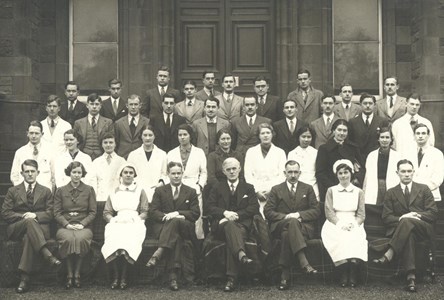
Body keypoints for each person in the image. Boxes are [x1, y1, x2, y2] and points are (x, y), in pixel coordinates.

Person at [373, 159, 438, 293]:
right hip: (403, 230)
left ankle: (389, 253)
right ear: (397, 173)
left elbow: (432, 213)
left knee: (408, 221)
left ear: (414, 172)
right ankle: (411, 278)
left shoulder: (424, 189)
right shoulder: (391, 192)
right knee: (408, 231)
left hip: (423, 228)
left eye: (409, 171)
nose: (407, 174)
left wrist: (416, 215)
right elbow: (386, 217)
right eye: (403, 171)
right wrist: (403, 218)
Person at [1, 160, 61, 294]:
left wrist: (35, 215)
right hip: (17, 227)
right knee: (28, 222)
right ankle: (47, 254)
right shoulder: (12, 191)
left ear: (38, 173)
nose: (29, 174)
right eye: (26, 171)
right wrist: (24, 217)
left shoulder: (45, 191)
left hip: (39, 229)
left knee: (29, 236)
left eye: (32, 171)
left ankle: (24, 278)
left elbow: (51, 213)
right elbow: (5, 213)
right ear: (22, 173)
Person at [264, 160, 320, 290]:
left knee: (286, 234)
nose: (293, 175)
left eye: (296, 172)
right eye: (290, 172)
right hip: (280, 225)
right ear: (285, 173)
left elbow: (316, 210)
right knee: (290, 224)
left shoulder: (308, 188)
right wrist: (285, 217)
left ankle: (285, 276)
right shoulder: (276, 189)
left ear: (300, 173)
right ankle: (304, 262)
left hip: (303, 227)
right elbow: (268, 211)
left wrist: (299, 215)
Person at [205, 157, 259, 292]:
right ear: (223, 171)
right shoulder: (217, 187)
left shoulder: (248, 188)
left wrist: (236, 216)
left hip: (242, 225)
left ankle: (231, 278)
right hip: (222, 225)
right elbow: (209, 207)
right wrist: (225, 213)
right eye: (228, 169)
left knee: (231, 236)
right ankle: (241, 255)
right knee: (229, 226)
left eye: (234, 168)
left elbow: (253, 208)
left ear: (240, 169)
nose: (232, 172)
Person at [146, 161, 200, 291]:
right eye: (173, 173)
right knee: (176, 238)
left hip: (185, 227)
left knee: (175, 221)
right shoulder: (160, 191)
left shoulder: (191, 191)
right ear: (168, 175)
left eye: (179, 173)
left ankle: (159, 252)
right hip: (164, 226)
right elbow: (153, 211)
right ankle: (173, 278)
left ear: (182, 174)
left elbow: (195, 213)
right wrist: (165, 217)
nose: (176, 176)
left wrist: (177, 213)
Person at [102, 164, 149, 290]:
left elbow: (145, 211)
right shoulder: (113, 192)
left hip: (135, 221)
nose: (128, 175)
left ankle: (124, 277)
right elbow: (107, 212)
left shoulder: (140, 191)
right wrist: (113, 220)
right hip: (118, 221)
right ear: (121, 175)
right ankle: (116, 277)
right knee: (114, 239)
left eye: (131, 173)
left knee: (128, 241)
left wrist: (136, 219)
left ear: (134, 176)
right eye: (125, 172)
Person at [321, 159, 367, 288]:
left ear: (351, 173)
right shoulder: (331, 190)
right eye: (340, 173)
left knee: (355, 236)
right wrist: (340, 224)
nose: (343, 176)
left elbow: (361, 214)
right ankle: (343, 271)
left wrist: (354, 224)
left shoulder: (359, 191)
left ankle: (352, 272)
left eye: (346, 172)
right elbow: (329, 212)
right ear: (337, 175)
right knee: (338, 236)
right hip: (334, 221)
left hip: (354, 221)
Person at [54, 161, 97, 289]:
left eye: (79, 172)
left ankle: (77, 274)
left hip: (83, 227)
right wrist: (66, 224)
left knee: (80, 239)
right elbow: (56, 212)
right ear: (69, 173)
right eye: (74, 172)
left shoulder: (89, 190)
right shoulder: (61, 190)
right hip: (65, 226)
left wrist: (83, 224)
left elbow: (93, 212)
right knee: (68, 239)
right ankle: (69, 274)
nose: (77, 175)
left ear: (82, 174)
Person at [167, 124, 207, 239]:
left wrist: (199, 186)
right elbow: (166, 172)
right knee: (178, 217)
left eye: (185, 134)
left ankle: (196, 243)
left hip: (194, 188)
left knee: (196, 218)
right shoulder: (171, 153)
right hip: (176, 188)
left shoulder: (199, 152)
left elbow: (204, 172)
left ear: (190, 136)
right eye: (180, 135)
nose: (182, 137)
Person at [315, 119, 365, 202]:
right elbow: (320, 173)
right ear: (334, 131)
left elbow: (362, 168)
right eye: (339, 130)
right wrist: (335, 187)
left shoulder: (353, 148)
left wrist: (355, 181)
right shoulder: (324, 149)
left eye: (345, 131)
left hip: (351, 188)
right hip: (332, 188)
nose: (342, 133)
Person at [244, 123, 286, 216]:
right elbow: (248, 174)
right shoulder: (251, 152)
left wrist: (271, 190)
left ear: (272, 134)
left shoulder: (280, 152)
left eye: (268, 132)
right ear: (259, 136)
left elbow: (282, 175)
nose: (265, 135)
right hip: (256, 191)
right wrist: (256, 191)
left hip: (275, 191)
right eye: (262, 133)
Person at [127, 124, 168, 202]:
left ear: (154, 136)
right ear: (141, 136)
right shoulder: (133, 155)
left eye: (150, 135)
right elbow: (129, 174)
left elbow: (165, 173)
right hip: (137, 191)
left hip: (157, 191)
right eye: (145, 135)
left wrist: (160, 183)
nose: (147, 138)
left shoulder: (162, 154)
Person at [363, 127, 401, 205]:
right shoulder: (372, 155)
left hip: (391, 185)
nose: (384, 140)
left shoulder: (397, 156)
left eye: (387, 137)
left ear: (391, 139)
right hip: (375, 185)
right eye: (382, 137)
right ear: (378, 139)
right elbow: (367, 177)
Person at [10, 121, 53, 190]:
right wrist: (20, 192)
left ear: (42, 134)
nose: (33, 136)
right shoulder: (20, 152)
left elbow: (54, 175)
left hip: (44, 193)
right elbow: (14, 175)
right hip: (24, 193)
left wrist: (49, 192)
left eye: (36, 133)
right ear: (27, 134)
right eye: (31, 133)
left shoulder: (50, 151)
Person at [392, 94, 435, 159]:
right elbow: (393, 145)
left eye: (417, 105)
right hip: (403, 160)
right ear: (406, 104)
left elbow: (431, 143)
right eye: (412, 104)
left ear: (420, 106)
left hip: (421, 159)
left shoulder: (426, 123)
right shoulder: (397, 124)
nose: (414, 107)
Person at [348, 93, 389, 161]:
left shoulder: (382, 121)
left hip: (377, 159)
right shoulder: (353, 122)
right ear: (360, 104)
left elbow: (385, 142)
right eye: (365, 103)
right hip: (359, 160)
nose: (367, 106)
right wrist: (353, 160)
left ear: (375, 105)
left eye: (370, 103)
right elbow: (350, 143)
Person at [73, 93, 113, 160]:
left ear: (100, 106)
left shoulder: (108, 122)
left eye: (97, 104)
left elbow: (112, 141)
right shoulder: (78, 123)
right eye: (91, 104)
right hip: (83, 156)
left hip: (102, 156)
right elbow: (75, 142)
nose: (94, 106)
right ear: (87, 105)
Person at [412, 124, 444, 201]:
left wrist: (420, 190)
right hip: (411, 197)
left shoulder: (437, 153)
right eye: (418, 133)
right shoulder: (408, 153)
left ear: (428, 135)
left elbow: (437, 179)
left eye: (423, 133)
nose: (420, 136)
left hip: (430, 196)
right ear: (414, 136)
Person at [90, 133, 126, 202]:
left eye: (111, 142)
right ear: (102, 144)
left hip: (117, 199)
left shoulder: (122, 161)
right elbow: (92, 182)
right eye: (105, 143)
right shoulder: (96, 162)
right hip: (100, 199)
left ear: (115, 144)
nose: (108, 145)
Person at [114, 94, 150, 159]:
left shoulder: (147, 122)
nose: (133, 107)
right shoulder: (118, 123)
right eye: (131, 104)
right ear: (127, 106)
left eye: (136, 104)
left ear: (140, 105)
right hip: (123, 157)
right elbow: (116, 142)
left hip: (140, 157)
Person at [288, 126, 319, 200]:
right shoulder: (292, 153)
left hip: (313, 186)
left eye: (309, 137)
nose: (306, 139)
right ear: (298, 137)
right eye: (303, 136)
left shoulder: (316, 153)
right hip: (296, 186)